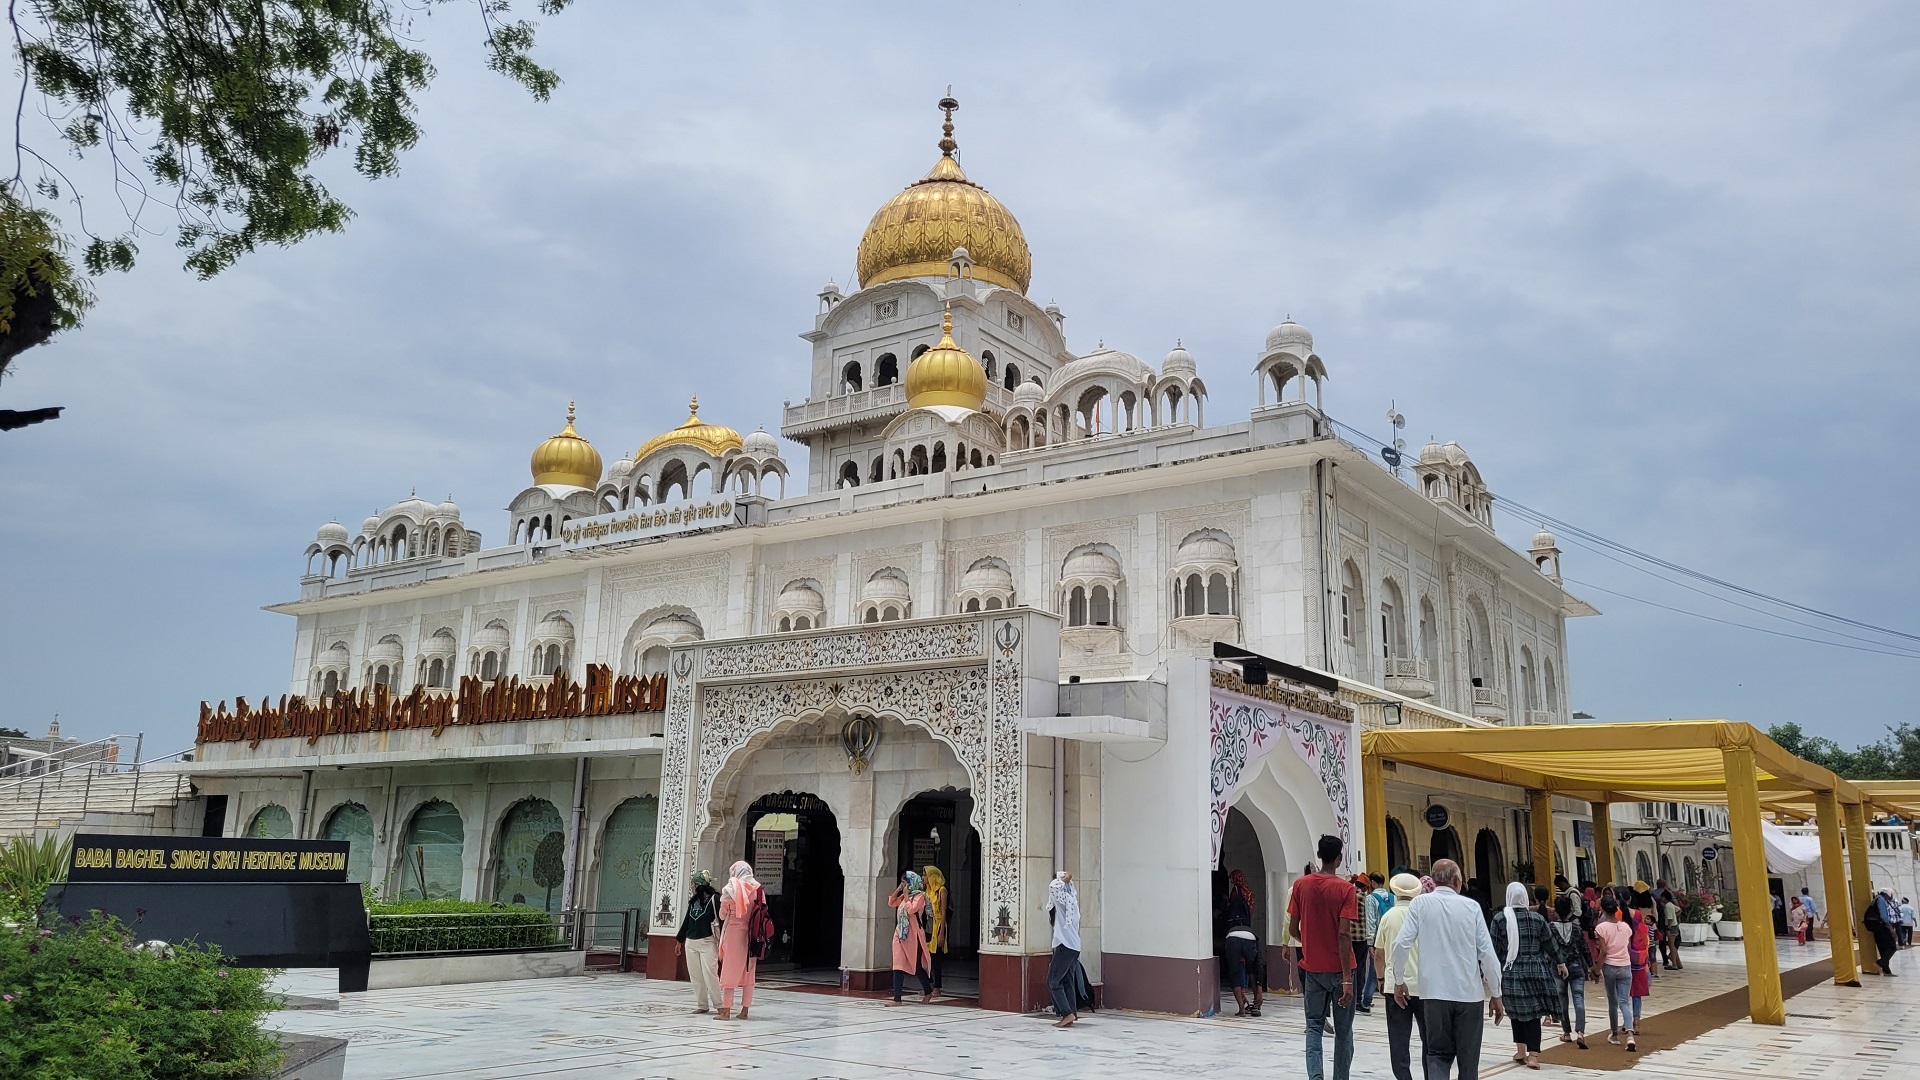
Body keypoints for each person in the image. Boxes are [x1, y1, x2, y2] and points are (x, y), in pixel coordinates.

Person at [1389, 858, 1504, 1080]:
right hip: (1469, 996)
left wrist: (1399, 980)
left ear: (1433, 880)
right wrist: (1496, 993)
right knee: (1468, 1062)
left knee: (1437, 1055)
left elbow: (1401, 944)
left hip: (1434, 995)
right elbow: (1487, 955)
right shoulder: (1471, 907)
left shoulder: (1420, 904)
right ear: (1456, 881)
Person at [1287, 835, 1358, 1080]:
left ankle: (1315, 1075)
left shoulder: (1300, 885)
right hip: (1341, 971)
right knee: (1344, 1030)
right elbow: (1343, 934)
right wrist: (1347, 978)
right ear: (1338, 859)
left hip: (1313, 969)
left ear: (1319, 855)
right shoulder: (1346, 889)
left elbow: (1292, 929)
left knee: (1314, 1026)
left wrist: (1310, 943)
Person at [1490, 882, 1566, 1071]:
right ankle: (1532, 1056)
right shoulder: (1537, 920)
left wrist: (1492, 971)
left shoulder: (1500, 919)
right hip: (1536, 969)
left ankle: (1521, 1050)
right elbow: (1550, 943)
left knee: (1515, 1011)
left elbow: (1493, 948)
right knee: (1533, 1013)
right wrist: (1560, 962)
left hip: (1511, 970)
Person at [1373, 873, 1427, 1080]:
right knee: (1428, 1039)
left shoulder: (1388, 917)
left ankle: (1404, 1077)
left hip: (1394, 987)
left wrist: (1380, 980)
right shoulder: (1423, 915)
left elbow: (1379, 954)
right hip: (1423, 987)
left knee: (1398, 1039)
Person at [716, 860, 763, 1021]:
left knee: (729, 969)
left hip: (734, 932)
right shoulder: (758, 889)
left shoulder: (731, 888)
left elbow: (722, 915)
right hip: (752, 934)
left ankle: (726, 1010)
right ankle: (745, 1010)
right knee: (748, 971)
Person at [674, 868, 721, 1014]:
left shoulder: (715, 899)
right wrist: (679, 941)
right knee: (695, 975)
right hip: (691, 942)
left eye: (693, 884)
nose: (691, 887)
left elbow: (722, 919)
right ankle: (702, 1005)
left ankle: (719, 1005)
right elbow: (687, 921)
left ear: (698, 885)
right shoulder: (693, 901)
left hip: (708, 941)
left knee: (710, 973)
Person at [1593, 897, 1636, 1052]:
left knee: (1613, 1001)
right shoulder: (1626, 927)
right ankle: (1630, 1034)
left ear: (1603, 910)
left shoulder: (1601, 927)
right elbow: (1629, 948)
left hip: (1610, 966)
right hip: (1625, 966)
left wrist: (1597, 970)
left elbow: (1603, 951)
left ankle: (1615, 1034)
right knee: (1625, 1002)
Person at [1550, 892, 1591, 1050]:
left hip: (1558, 967)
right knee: (1579, 998)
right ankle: (1580, 1032)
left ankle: (1566, 1032)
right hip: (1576, 966)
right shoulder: (1576, 928)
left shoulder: (1551, 927)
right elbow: (1584, 948)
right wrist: (1591, 966)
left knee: (1562, 1000)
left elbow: (1548, 948)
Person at [887, 870, 934, 1006]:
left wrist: (907, 896)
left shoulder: (920, 896)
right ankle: (897, 999)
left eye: (905, 882)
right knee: (898, 965)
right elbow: (891, 902)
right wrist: (899, 889)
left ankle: (928, 991)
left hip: (914, 935)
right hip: (900, 934)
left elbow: (911, 910)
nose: (904, 885)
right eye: (902, 883)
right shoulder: (904, 896)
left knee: (916, 966)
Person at [1224, 867, 1264, 1017]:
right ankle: (1257, 1001)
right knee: (1253, 969)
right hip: (1249, 934)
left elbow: (1230, 912)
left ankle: (1241, 1008)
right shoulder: (1249, 894)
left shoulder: (1235, 891)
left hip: (1233, 934)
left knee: (1235, 971)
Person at [1046, 870, 1083, 1027]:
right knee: (1067, 981)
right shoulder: (1072, 902)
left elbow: (1053, 887)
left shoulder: (1063, 902)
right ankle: (1071, 1013)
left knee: (1053, 981)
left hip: (1065, 946)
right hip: (1074, 947)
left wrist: (1064, 877)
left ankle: (1067, 1014)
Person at [1361, 872, 1393, 1012]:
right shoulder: (1393, 897)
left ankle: (1366, 1001)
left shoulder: (1371, 898)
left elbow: (1371, 921)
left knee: (1375, 971)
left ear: (1372, 883)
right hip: (1393, 937)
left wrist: (1370, 942)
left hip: (1379, 939)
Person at [1351, 875, 1376, 1015]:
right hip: (1361, 938)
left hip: (1349, 937)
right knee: (1360, 969)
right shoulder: (1365, 898)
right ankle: (1359, 1000)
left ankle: (1351, 997)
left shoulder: (1349, 895)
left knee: (1350, 968)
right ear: (1366, 887)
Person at [923, 865, 949, 998]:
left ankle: (937, 987)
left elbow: (943, 913)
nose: (923, 878)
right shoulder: (927, 890)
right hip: (928, 925)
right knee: (926, 957)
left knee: (936, 957)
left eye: (925, 875)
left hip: (938, 926)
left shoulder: (941, 891)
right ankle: (927, 985)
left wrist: (942, 933)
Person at [1865, 888, 1899, 976]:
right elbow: (1884, 916)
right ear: (1887, 894)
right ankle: (1879, 963)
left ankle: (1886, 971)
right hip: (1881, 927)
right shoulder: (1881, 899)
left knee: (1883, 948)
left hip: (1875, 927)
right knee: (1892, 946)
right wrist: (1891, 929)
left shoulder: (1876, 899)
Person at [1660, 889, 1684, 970]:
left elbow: (1669, 918)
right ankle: (1678, 963)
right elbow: (1679, 910)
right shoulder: (1671, 904)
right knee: (1672, 945)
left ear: (1664, 897)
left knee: (1671, 946)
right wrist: (1675, 916)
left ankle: (1674, 964)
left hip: (1671, 926)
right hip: (1675, 925)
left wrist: (1668, 928)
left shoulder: (1667, 906)